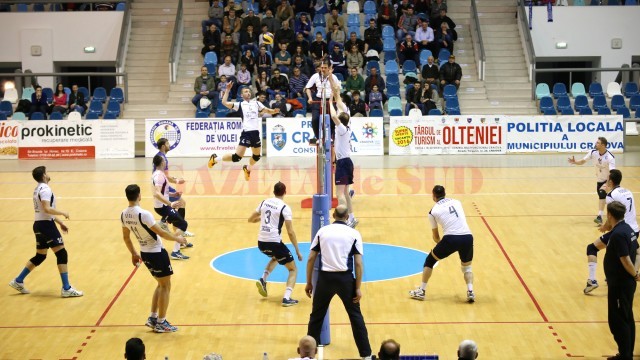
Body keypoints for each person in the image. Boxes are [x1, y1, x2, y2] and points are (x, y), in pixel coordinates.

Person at [305, 205, 372, 359]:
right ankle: (366, 355)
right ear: (347, 216)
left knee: (316, 317)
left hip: (325, 280)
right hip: (345, 280)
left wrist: (309, 282)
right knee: (355, 317)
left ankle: (307, 356)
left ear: (333, 214)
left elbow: (310, 258)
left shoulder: (322, 231)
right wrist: (358, 287)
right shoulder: (354, 233)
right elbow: (359, 263)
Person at [9, 166, 83, 297]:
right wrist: (63, 213)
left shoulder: (37, 189)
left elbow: (44, 212)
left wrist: (60, 223)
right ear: (43, 175)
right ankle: (66, 288)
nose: (48, 174)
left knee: (40, 256)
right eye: (46, 172)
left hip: (38, 225)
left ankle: (18, 280)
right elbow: (47, 209)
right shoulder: (46, 189)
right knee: (62, 254)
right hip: (46, 226)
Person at [121, 184, 187, 333]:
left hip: (144, 253)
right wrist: (178, 240)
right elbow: (162, 234)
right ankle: (161, 322)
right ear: (139, 196)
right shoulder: (144, 214)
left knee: (160, 284)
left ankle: (153, 317)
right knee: (165, 286)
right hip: (156, 252)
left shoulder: (123, 214)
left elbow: (126, 238)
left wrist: (133, 253)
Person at [409, 185, 476, 302]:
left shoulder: (433, 211)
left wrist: (444, 246)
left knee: (430, 260)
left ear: (433, 196)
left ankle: (421, 291)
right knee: (467, 267)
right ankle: (470, 291)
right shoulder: (457, 202)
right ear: (445, 193)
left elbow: (436, 237)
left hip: (451, 239)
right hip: (467, 237)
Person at [207, 82, 280, 180]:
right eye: (246, 91)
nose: (248, 93)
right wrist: (228, 90)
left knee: (256, 156)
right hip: (246, 133)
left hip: (255, 133)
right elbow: (224, 103)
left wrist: (274, 111)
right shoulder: (240, 104)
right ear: (242, 95)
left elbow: (267, 110)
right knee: (237, 157)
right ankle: (215, 158)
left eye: (249, 91)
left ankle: (248, 169)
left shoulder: (257, 103)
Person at [584, 169, 639, 293]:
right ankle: (628, 275)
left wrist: (604, 227)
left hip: (622, 231)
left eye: (608, 178)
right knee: (635, 251)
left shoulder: (611, 196)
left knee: (592, 248)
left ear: (611, 181)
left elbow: (612, 219)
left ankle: (592, 280)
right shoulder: (628, 191)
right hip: (635, 230)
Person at [250, 182, 302, 306]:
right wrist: (297, 250)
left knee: (275, 257)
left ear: (273, 192)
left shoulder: (264, 202)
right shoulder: (285, 207)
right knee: (293, 269)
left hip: (261, 243)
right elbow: (290, 232)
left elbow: (250, 219)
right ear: (285, 192)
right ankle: (286, 298)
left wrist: (261, 219)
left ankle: (263, 279)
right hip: (274, 242)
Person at [602, 201, 639, 360]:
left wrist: (634, 274)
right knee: (627, 318)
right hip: (624, 283)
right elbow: (637, 252)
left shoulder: (617, 234)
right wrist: (636, 272)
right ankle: (626, 353)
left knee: (618, 321)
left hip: (620, 284)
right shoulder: (628, 229)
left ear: (610, 215)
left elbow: (625, 259)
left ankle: (625, 356)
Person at [328, 71, 358, 227]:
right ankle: (352, 217)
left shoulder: (341, 128)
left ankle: (342, 220)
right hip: (347, 161)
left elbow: (333, 116)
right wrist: (333, 85)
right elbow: (338, 97)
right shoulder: (347, 118)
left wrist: (329, 101)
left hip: (343, 162)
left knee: (339, 193)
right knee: (346, 192)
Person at [154, 137, 195, 242]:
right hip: (164, 187)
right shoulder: (162, 158)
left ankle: (175, 226)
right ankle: (170, 224)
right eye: (167, 143)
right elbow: (166, 176)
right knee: (181, 203)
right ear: (163, 146)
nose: (169, 145)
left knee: (181, 203)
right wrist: (177, 181)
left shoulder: (159, 156)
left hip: (164, 186)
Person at [569, 137, 616, 225]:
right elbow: (583, 161)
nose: (596, 144)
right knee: (605, 198)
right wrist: (575, 162)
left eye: (598, 143)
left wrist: (607, 183)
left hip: (609, 180)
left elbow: (612, 172)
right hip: (599, 179)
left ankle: (600, 217)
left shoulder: (610, 157)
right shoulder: (593, 152)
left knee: (602, 193)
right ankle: (618, 211)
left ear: (603, 145)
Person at [152, 155, 191, 260]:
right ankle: (175, 251)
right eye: (164, 161)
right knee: (183, 224)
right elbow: (157, 193)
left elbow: (163, 191)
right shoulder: (159, 176)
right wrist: (170, 203)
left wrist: (173, 195)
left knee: (180, 221)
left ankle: (179, 242)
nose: (166, 162)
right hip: (162, 207)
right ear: (162, 163)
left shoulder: (159, 174)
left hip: (163, 205)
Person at [304, 61, 341, 145]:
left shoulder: (334, 77)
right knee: (315, 119)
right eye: (322, 68)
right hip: (318, 99)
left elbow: (337, 89)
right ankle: (318, 137)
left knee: (333, 119)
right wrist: (310, 98)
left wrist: (330, 78)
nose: (323, 69)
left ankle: (331, 137)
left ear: (328, 68)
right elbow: (307, 88)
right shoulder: (315, 76)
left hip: (330, 99)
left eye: (325, 68)